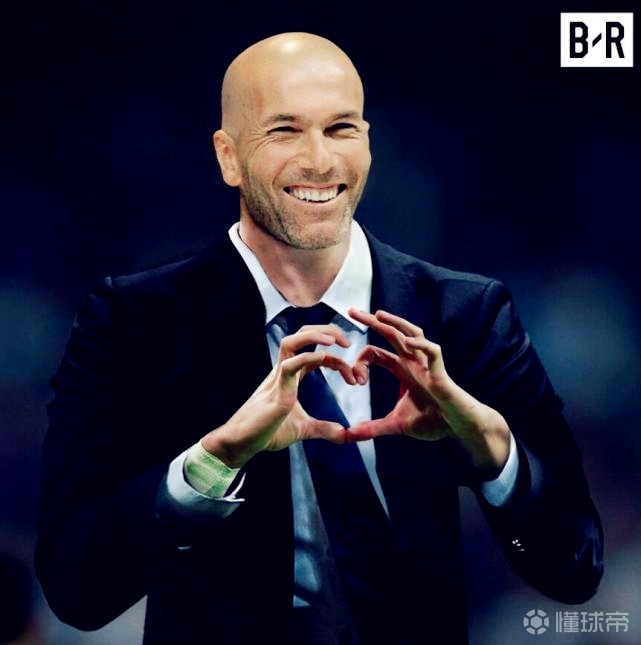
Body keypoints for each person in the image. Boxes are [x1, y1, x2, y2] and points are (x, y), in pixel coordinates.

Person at [35, 32, 603, 644]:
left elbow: (574, 570)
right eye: (284, 131)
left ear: (368, 143)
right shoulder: (134, 321)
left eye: (340, 129)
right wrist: (215, 459)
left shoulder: (467, 315)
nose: (320, 160)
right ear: (228, 157)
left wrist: (490, 445)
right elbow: (76, 588)